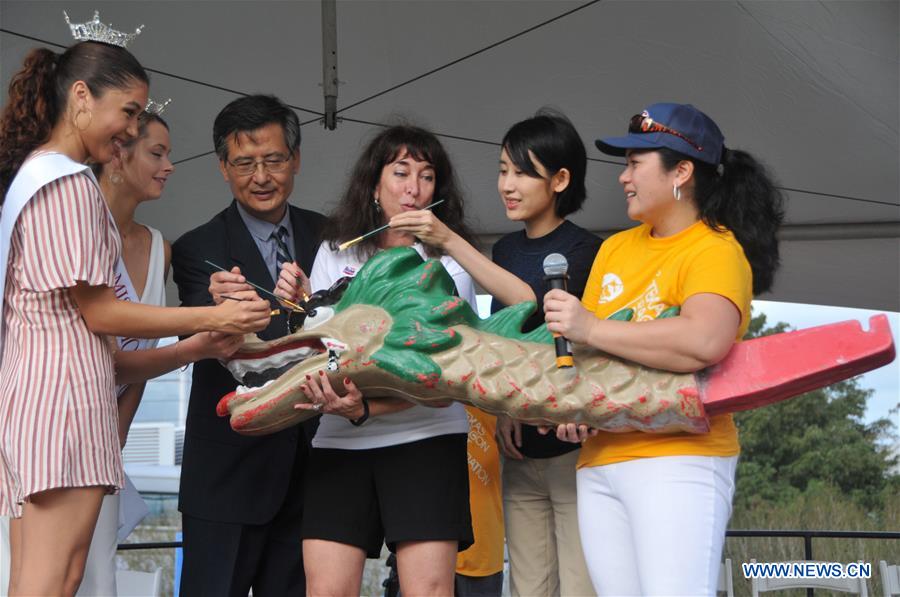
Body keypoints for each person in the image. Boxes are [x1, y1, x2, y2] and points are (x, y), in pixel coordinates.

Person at [0, 41, 270, 596]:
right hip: (65, 404)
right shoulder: (68, 183)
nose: (129, 130)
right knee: (55, 579)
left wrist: (199, 337)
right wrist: (213, 313)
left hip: (48, 396)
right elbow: (100, 313)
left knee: (44, 577)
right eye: (127, 112)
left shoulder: (36, 176)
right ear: (80, 96)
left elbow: (85, 329)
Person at [543, 102, 784, 595]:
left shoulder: (715, 249)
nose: (623, 178)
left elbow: (702, 340)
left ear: (682, 171)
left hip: (680, 456)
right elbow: (586, 358)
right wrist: (575, 405)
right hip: (600, 459)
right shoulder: (615, 249)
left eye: (635, 164)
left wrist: (589, 327)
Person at [389, 109, 599, 596]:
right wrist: (505, 408)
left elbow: (532, 304)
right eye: (503, 169)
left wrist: (448, 240)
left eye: (523, 172)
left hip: (577, 446)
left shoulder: (588, 249)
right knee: (528, 586)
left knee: (581, 585)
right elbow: (505, 340)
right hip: (520, 447)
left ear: (561, 179)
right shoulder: (503, 250)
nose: (507, 184)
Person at [276, 124, 477, 596]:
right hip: (339, 442)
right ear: (374, 185)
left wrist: (368, 407)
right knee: (326, 589)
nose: (413, 188)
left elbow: (442, 374)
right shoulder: (334, 252)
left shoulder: (449, 263)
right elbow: (321, 349)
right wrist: (301, 308)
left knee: (427, 590)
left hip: (427, 436)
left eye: (427, 177)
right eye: (401, 173)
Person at [78, 110, 248, 596]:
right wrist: (203, 333)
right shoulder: (78, 231)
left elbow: (136, 370)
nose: (171, 165)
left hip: (106, 441)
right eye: (157, 153)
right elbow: (110, 357)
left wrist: (117, 437)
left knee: (97, 576)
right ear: (116, 155)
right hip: (59, 427)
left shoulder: (159, 248)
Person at [171, 94, 326, 596]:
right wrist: (219, 315)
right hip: (227, 476)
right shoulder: (199, 248)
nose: (261, 176)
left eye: (274, 160)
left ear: (296, 160)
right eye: (245, 163)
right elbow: (199, 339)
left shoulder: (329, 236)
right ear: (223, 167)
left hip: (314, 472)